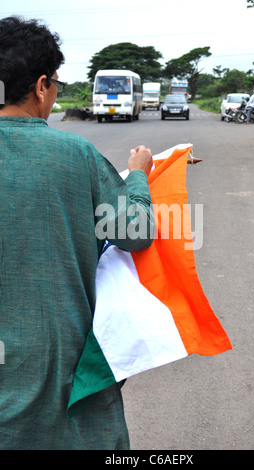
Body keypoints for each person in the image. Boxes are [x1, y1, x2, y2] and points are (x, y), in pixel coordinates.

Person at [0, 16, 154, 450]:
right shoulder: (75, 155)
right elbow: (134, 231)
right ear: (42, 85)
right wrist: (139, 177)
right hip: (60, 359)